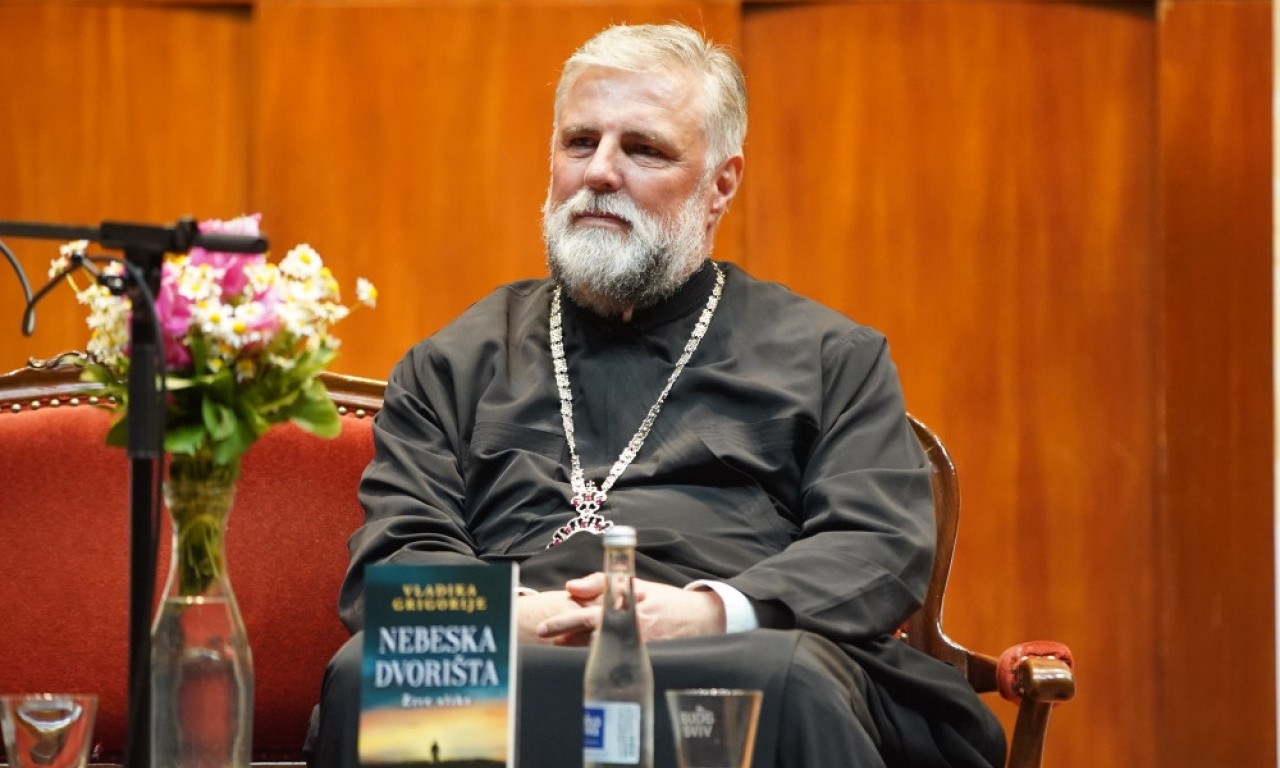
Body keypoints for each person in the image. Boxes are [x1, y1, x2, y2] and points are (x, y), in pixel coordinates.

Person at [305, 22, 1006, 768]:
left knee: (794, 680)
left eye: (643, 149)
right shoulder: (453, 363)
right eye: (580, 142)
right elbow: (397, 553)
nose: (600, 172)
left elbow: (876, 544)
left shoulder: (832, 357)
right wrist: (516, 617)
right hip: (509, 650)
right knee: (377, 676)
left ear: (721, 184)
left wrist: (707, 612)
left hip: (730, 654)